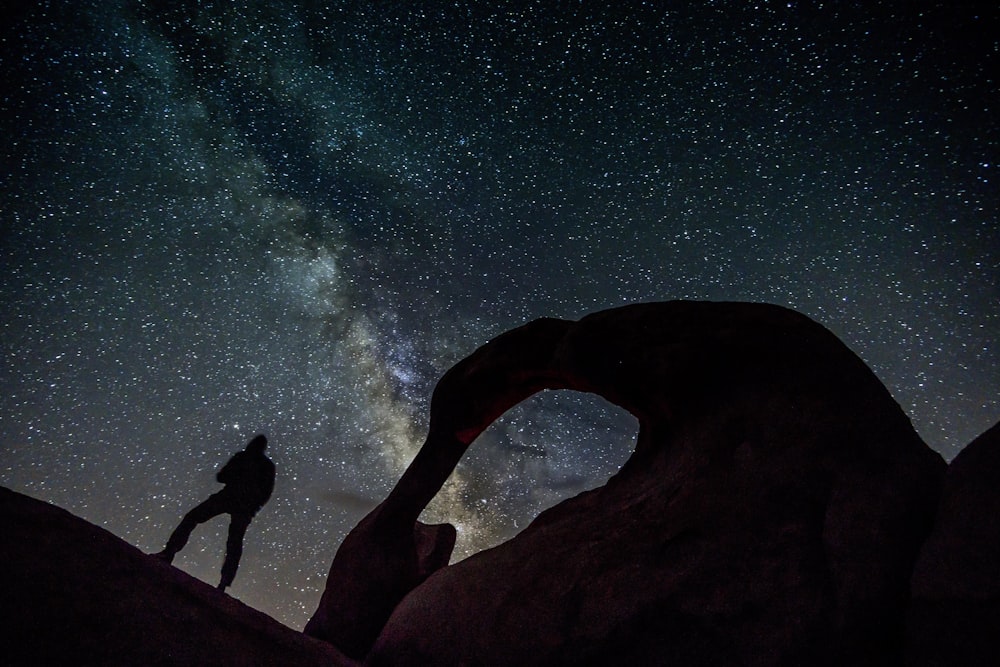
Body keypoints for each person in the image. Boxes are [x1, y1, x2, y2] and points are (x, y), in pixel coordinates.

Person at [155, 434, 275, 591]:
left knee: (199, 522)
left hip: (234, 500)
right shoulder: (261, 464)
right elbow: (264, 492)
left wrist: (250, 502)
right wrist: (253, 506)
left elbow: (223, 476)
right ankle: (224, 582)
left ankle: (169, 552)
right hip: (236, 502)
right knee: (233, 542)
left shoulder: (246, 458)